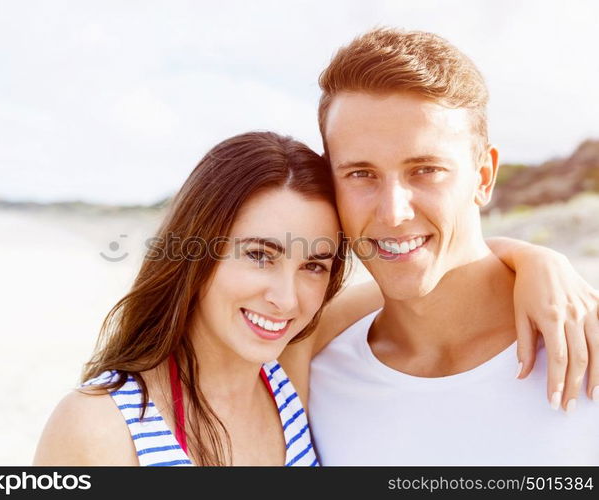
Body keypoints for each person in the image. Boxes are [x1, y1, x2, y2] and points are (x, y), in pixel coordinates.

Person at [33, 130, 594, 467]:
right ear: (196, 254)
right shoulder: (98, 427)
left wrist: (535, 260)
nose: (285, 298)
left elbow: (429, 275)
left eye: (314, 265)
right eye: (258, 254)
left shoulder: (287, 377)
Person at [305, 28, 599, 465]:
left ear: (483, 177)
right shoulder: (313, 374)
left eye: (425, 170)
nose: (393, 212)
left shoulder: (585, 341)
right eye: (361, 174)